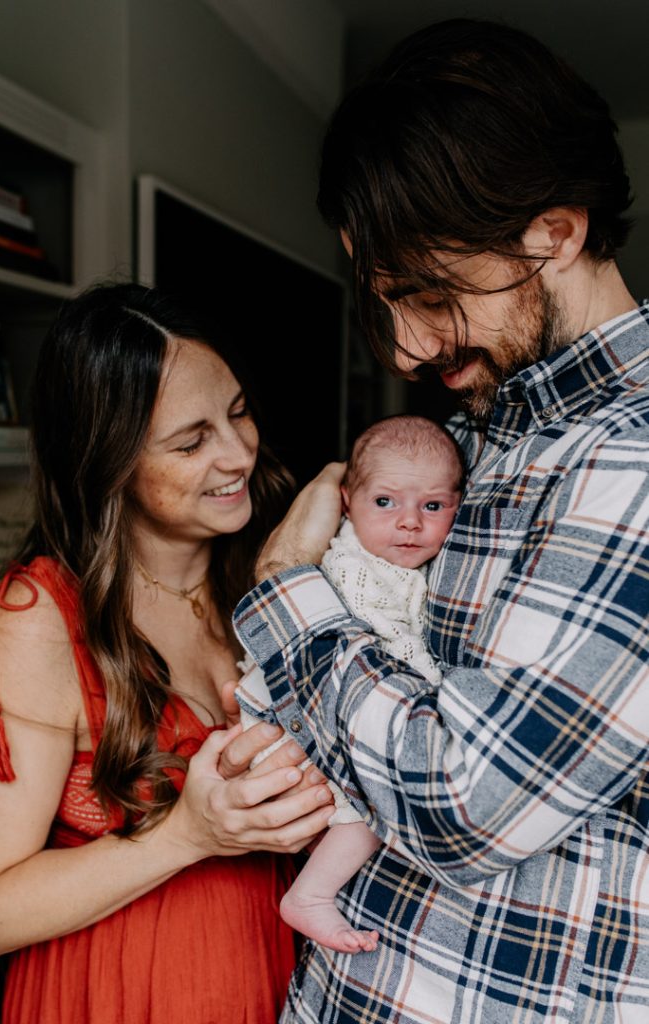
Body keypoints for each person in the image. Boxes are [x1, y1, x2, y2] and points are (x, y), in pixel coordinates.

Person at [227, 18, 649, 1024]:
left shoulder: (630, 461)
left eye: (427, 294)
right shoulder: (477, 440)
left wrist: (286, 595)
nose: (406, 348)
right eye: (386, 304)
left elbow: (460, 805)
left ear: (554, 232)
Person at [0, 282, 336, 1024]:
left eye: (238, 413)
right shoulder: (40, 618)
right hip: (112, 996)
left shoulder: (269, 573)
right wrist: (187, 834)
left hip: (276, 981)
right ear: (107, 461)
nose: (238, 453)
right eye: (191, 442)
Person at [237, 415, 463, 954]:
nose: (409, 523)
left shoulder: (395, 564)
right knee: (370, 809)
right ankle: (310, 896)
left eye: (433, 506)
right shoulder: (356, 569)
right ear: (345, 502)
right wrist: (437, 692)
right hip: (291, 712)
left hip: (314, 705)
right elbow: (390, 650)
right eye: (385, 502)